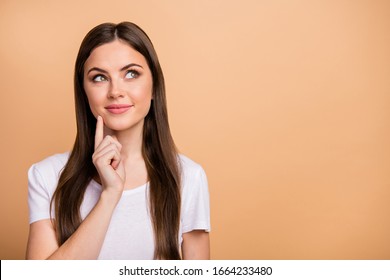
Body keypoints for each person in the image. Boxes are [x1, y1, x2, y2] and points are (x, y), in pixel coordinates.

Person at [26, 22, 210, 260]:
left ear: (154, 86)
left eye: (131, 74)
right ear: (84, 91)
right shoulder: (46, 176)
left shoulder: (188, 177)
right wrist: (110, 195)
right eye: (100, 77)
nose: (115, 91)